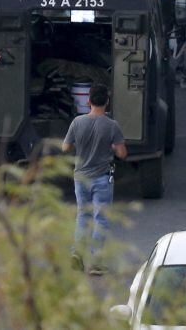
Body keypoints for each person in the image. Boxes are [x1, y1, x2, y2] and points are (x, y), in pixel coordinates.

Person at [61, 84, 127, 276]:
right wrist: (113, 147)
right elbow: (122, 153)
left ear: (88, 101)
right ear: (107, 102)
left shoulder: (77, 122)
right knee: (101, 218)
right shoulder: (112, 125)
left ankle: (77, 254)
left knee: (83, 215)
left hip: (80, 177)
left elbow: (65, 148)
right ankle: (96, 261)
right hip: (102, 178)